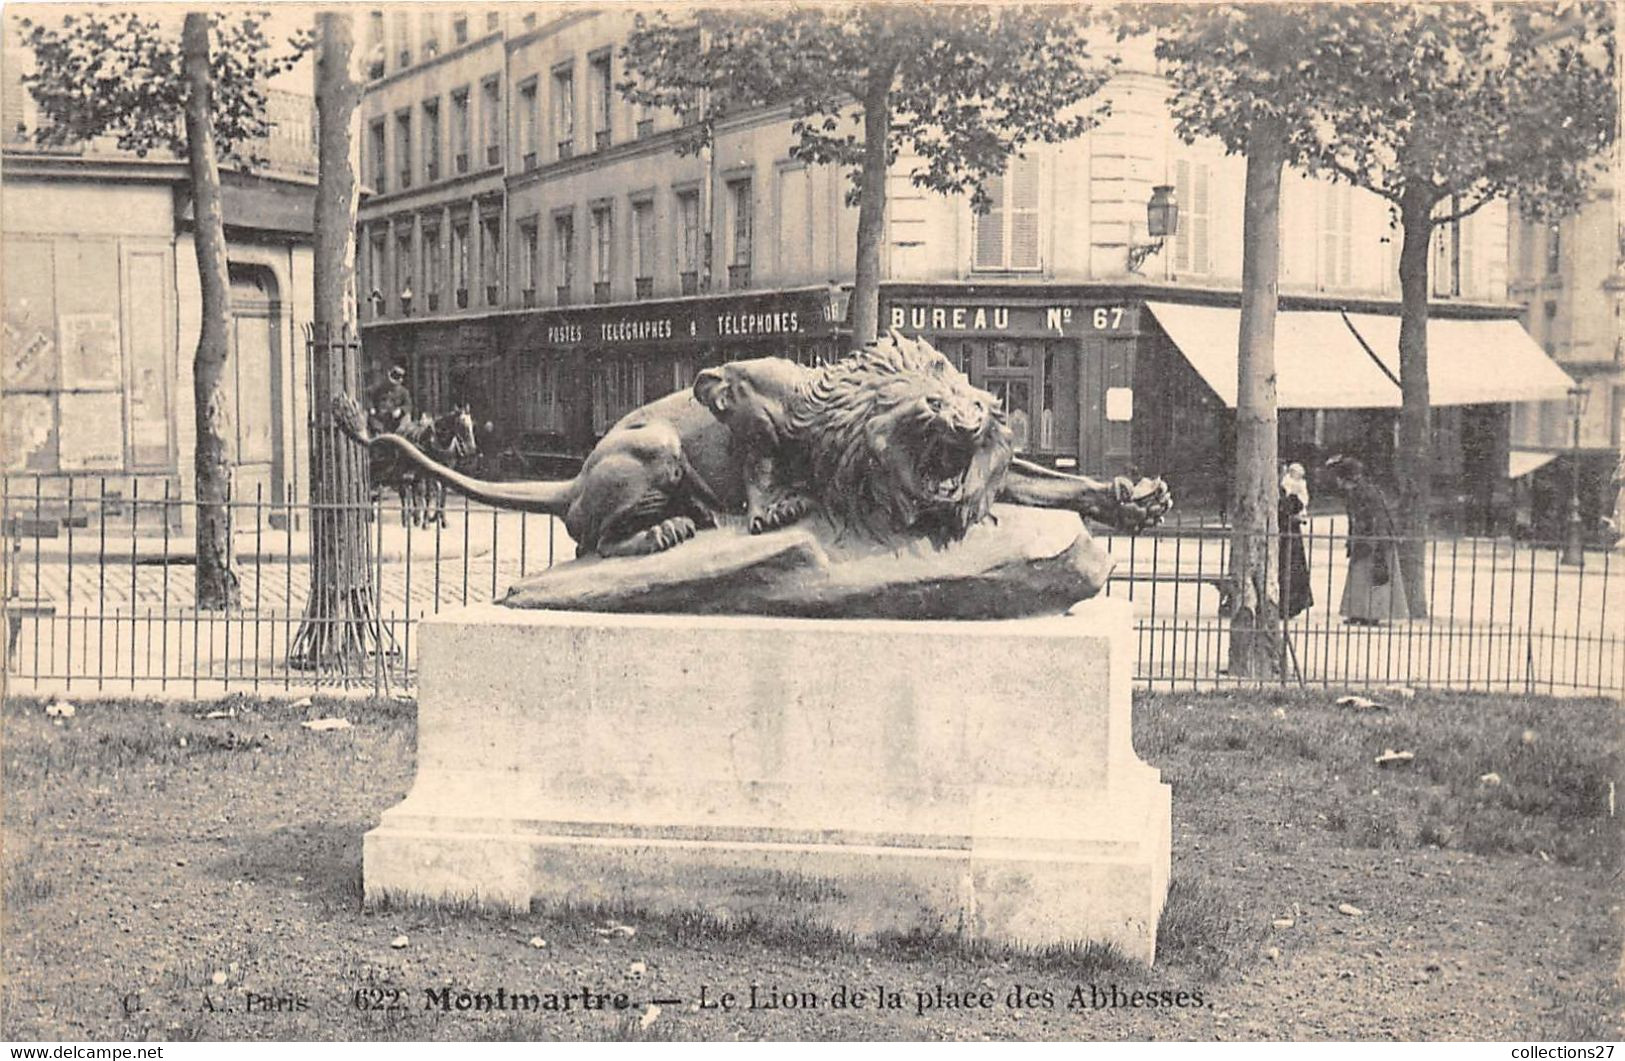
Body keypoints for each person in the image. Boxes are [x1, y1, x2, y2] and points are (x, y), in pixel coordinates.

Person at [1326, 455, 1409, 625]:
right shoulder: (1357, 491)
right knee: (1361, 576)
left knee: (1371, 575)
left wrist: (1370, 539)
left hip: (1374, 539)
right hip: (1367, 538)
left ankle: (1371, 612)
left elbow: (1374, 518)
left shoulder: (1364, 492)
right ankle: (1360, 612)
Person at [1278, 462, 1314, 620]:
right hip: (1288, 533)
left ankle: (1291, 602)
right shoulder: (1284, 490)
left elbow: (1298, 504)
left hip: (1288, 534)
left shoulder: (1287, 491)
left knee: (1290, 568)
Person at [368, 364, 413, 435]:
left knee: (406, 420)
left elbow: (408, 406)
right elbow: (371, 398)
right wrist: (372, 408)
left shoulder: (404, 392)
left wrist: (400, 410)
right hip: (381, 419)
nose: (392, 385)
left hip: (395, 420)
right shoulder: (380, 389)